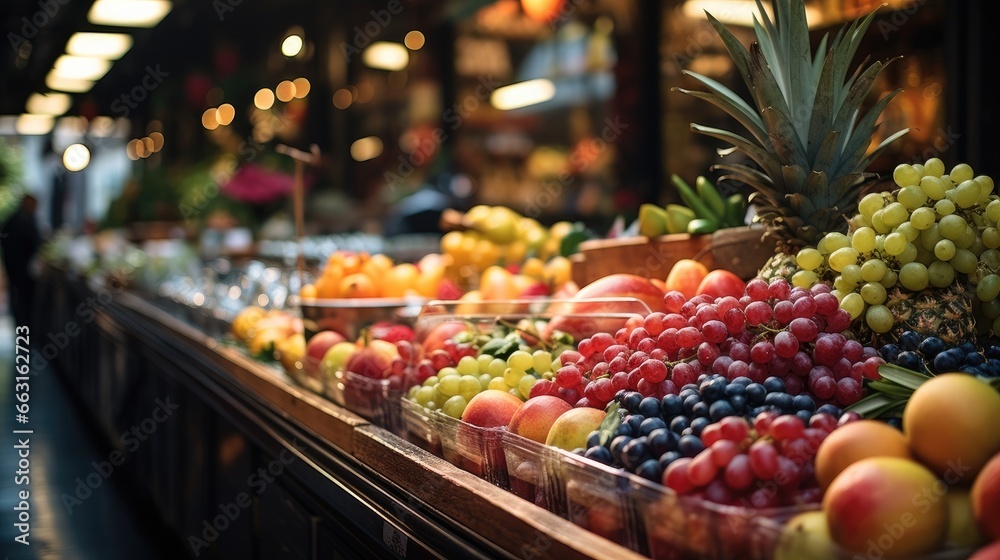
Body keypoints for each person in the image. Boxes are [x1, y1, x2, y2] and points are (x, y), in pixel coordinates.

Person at [1, 194, 42, 329]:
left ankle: (22, 328)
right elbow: (35, 242)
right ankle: (23, 329)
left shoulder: (15, 219)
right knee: (22, 303)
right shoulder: (22, 221)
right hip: (20, 270)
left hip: (16, 268)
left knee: (18, 301)